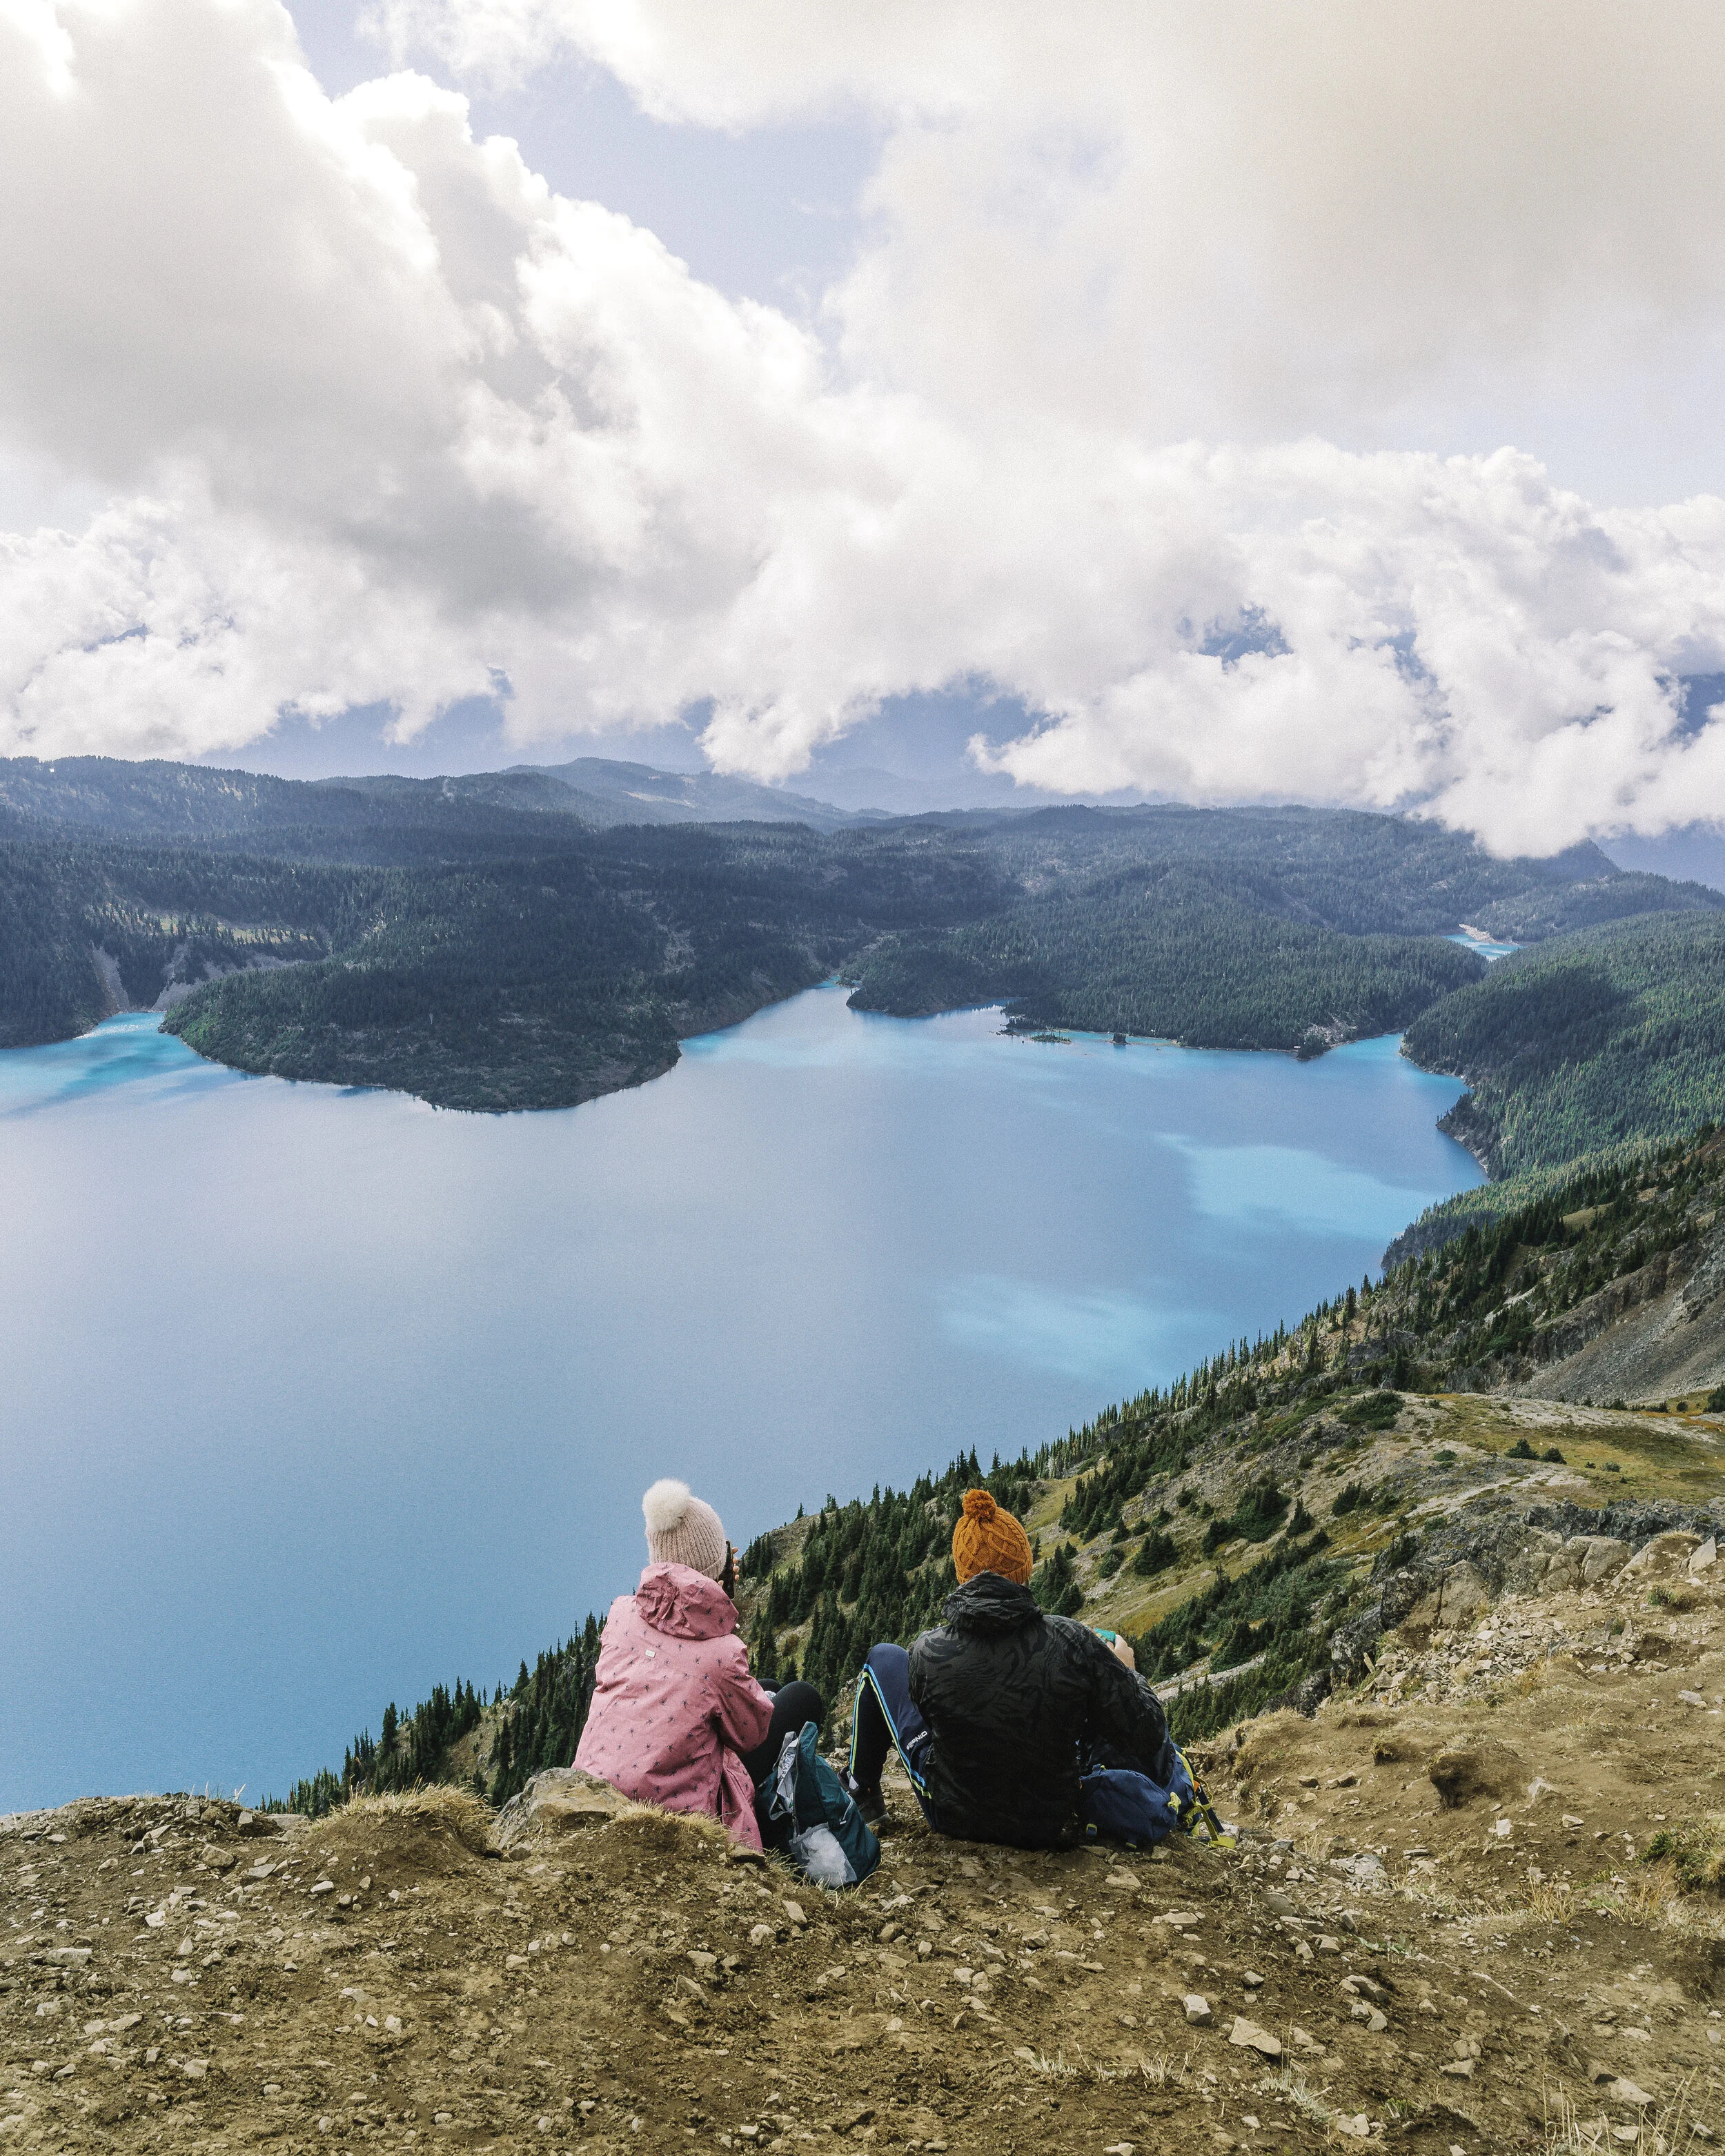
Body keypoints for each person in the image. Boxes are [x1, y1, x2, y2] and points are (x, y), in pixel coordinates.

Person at [845, 1487, 1171, 1847]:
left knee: (884, 1657)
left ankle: (862, 1790)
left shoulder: (927, 1650)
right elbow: (1149, 1734)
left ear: (962, 1575)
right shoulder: (1072, 1641)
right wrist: (1125, 1669)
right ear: (1024, 1570)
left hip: (953, 1816)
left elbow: (932, 1718)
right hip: (1048, 1819)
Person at [574, 1478, 823, 1848]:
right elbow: (751, 1735)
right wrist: (723, 1607)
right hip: (674, 1818)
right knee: (801, 1697)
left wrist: (711, 1597)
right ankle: (773, 1835)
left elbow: (679, 1661)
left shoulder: (620, 1615)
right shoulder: (721, 1654)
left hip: (598, 1793)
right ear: (713, 1569)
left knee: (765, 1688)